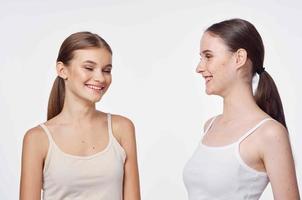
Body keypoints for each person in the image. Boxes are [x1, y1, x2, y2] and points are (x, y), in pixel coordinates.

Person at [183, 19, 300, 199]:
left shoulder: (270, 133)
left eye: (208, 56)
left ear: (239, 58)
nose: (199, 68)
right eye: (201, 58)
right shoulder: (209, 126)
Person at [20, 32, 141, 200]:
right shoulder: (37, 139)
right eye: (89, 68)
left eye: (107, 70)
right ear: (62, 70)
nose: (100, 78)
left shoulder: (122, 128)